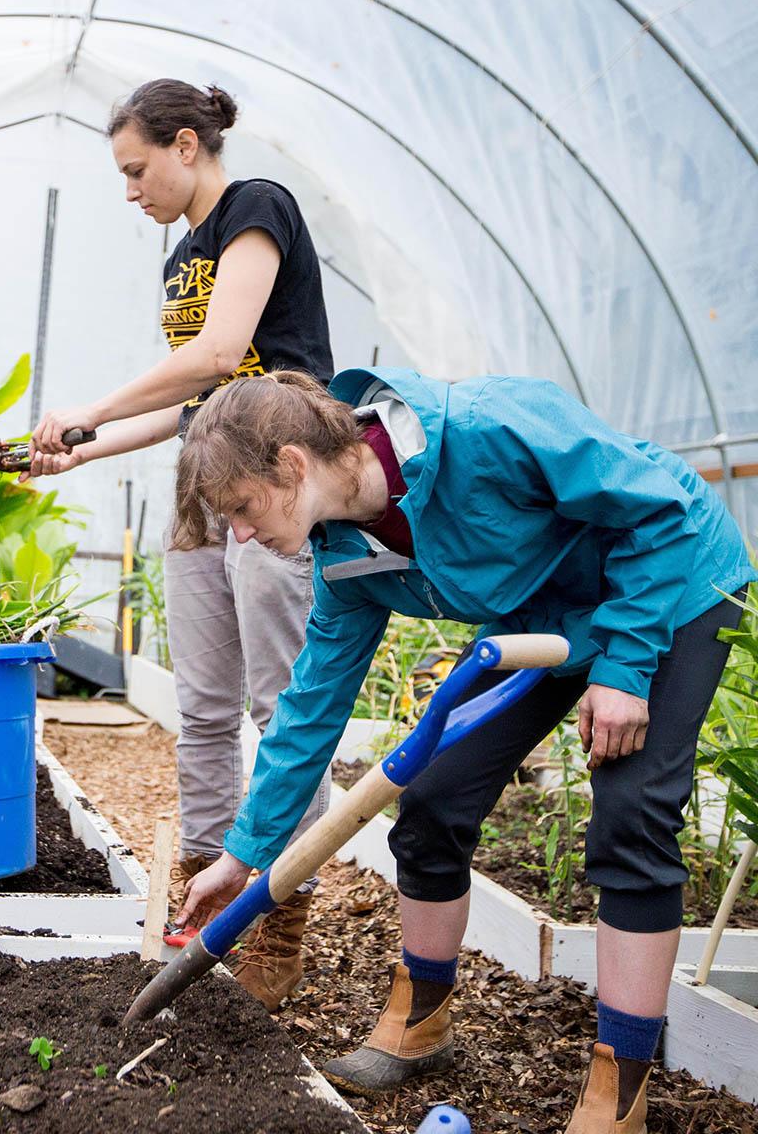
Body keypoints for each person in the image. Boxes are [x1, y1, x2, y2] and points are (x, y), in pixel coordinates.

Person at [171, 367, 755, 1133]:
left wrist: (623, 667)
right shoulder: (344, 553)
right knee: (435, 798)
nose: (240, 533)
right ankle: (423, 1018)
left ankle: (622, 1086)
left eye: (241, 509)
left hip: (671, 586)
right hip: (547, 612)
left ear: (292, 465)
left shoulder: (488, 429)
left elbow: (660, 511)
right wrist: (242, 856)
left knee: (632, 809)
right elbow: (311, 707)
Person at [26, 79, 336, 1009]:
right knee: (203, 706)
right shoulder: (180, 261)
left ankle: (281, 907)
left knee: (281, 705)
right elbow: (184, 405)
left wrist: (87, 405)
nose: (132, 192)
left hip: (276, 479)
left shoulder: (256, 209)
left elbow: (219, 352)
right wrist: (76, 449)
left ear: (188, 144)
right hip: (206, 486)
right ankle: (209, 888)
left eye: (137, 168)